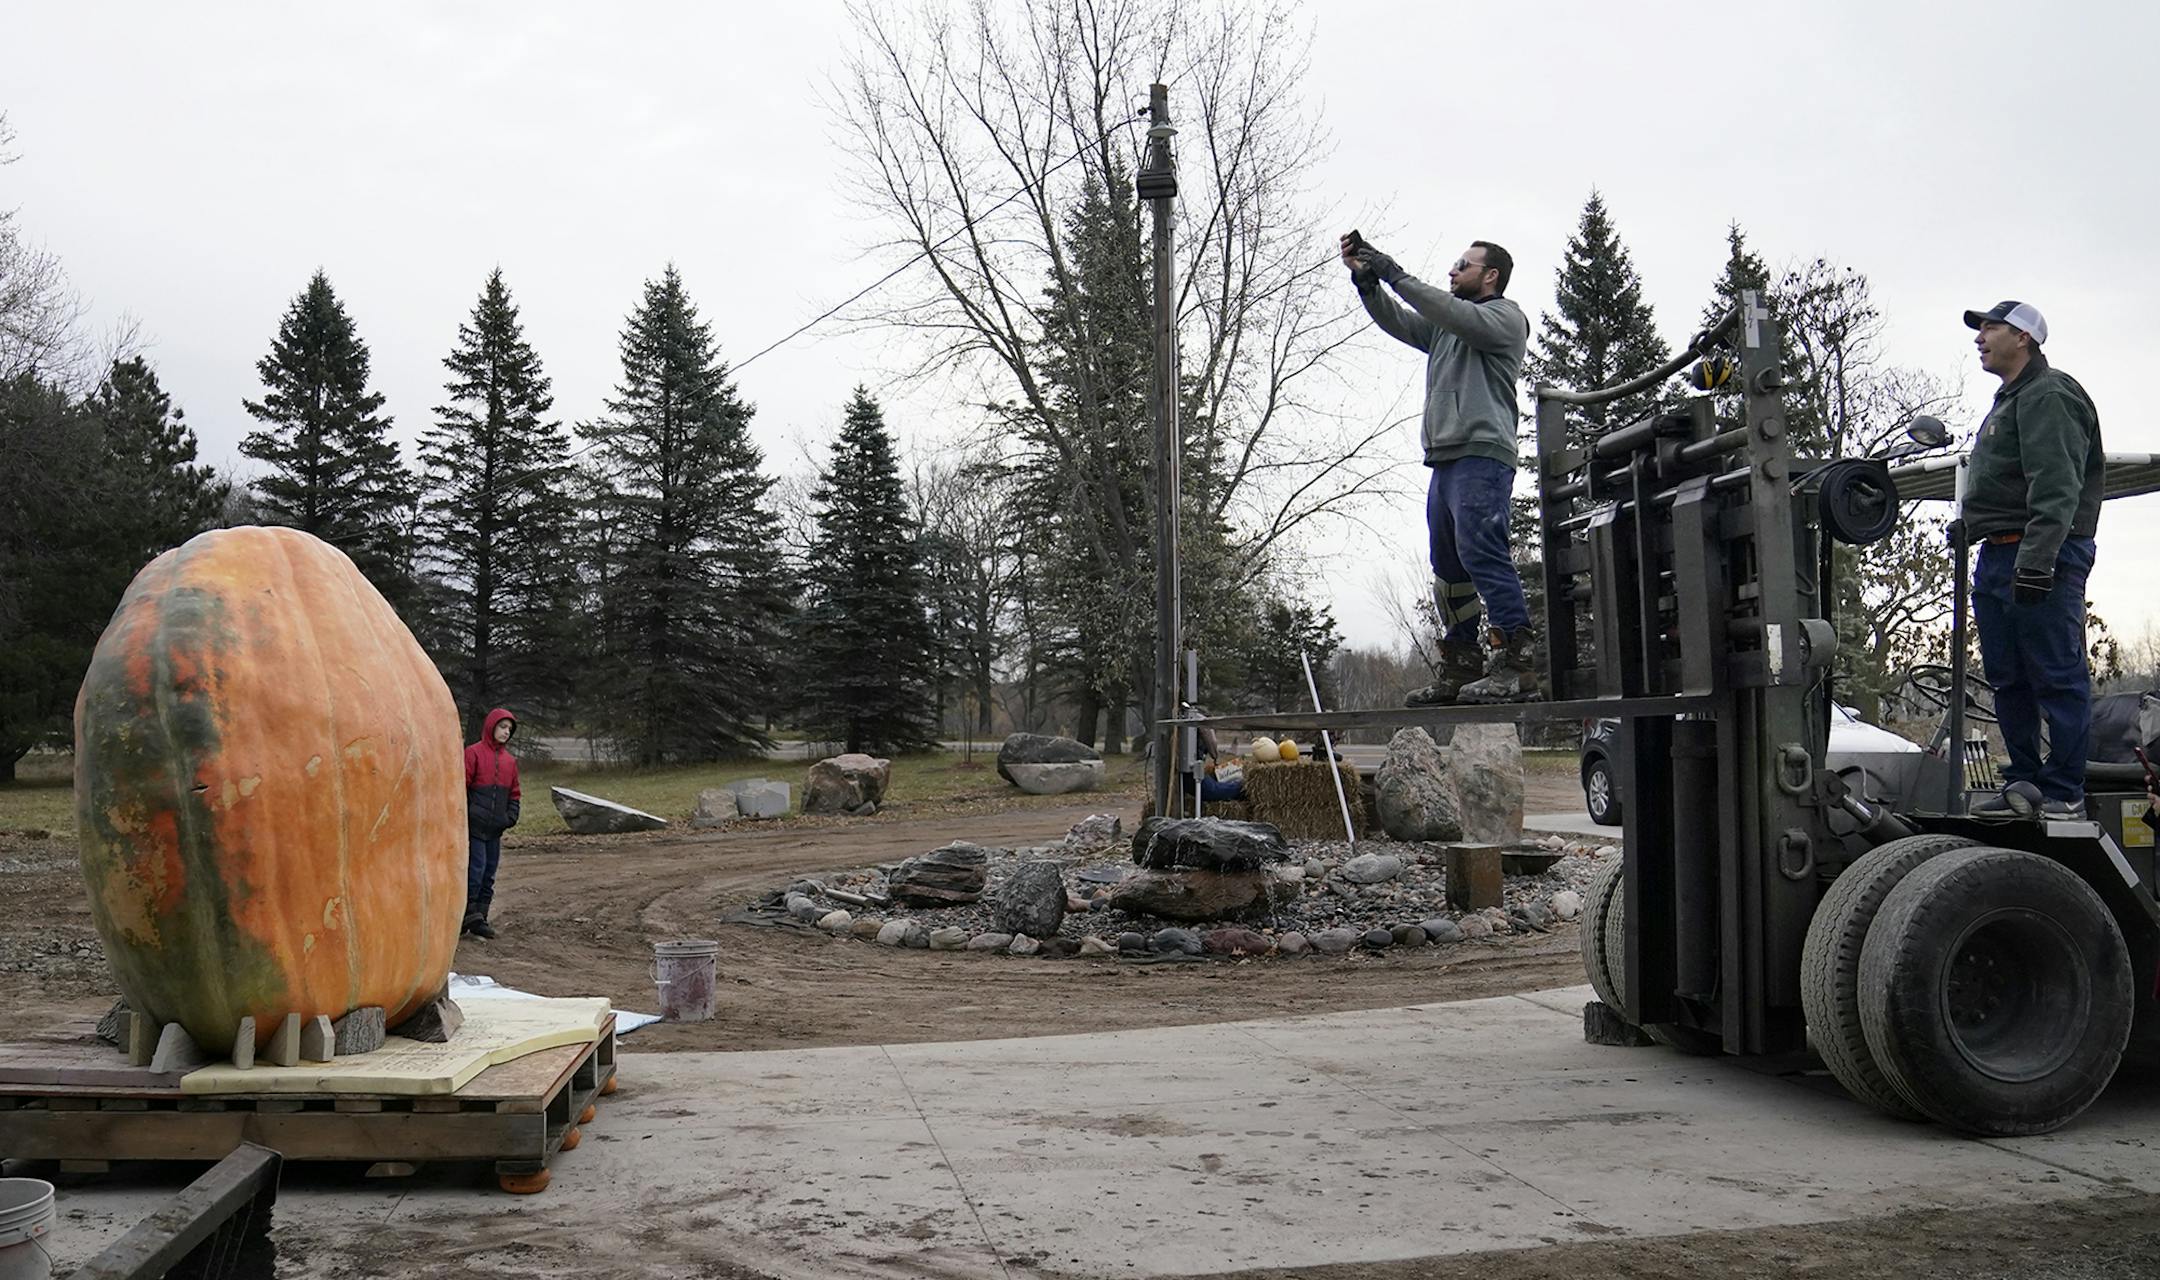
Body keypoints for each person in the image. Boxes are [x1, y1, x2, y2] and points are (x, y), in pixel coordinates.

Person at [1341, 232, 1537, 704]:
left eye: (1462, 265)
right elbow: (1402, 322)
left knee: (1482, 553)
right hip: (1446, 459)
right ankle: (1461, 665)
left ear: (1490, 276)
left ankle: (1516, 667)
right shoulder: (1449, 328)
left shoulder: (1504, 318)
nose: (1452, 271)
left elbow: (1444, 310)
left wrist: (1393, 271)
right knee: (1449, 569)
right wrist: (1369, 284)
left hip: (1482, 454)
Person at [1958, 301, 2103, 820]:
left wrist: (2038, 560)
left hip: (2041, 552)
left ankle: (2064, 792)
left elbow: (2057, 485)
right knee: (2008, 677)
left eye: (1991, 328)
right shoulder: (2009, 400)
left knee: (2057, 674)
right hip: (1999, 553)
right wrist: (1969, 528)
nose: (1980, 337)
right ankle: (2024, 786)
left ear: (2024, 338)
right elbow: (2005, 486)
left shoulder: (2049, 394)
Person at [463, 708, 522, 937]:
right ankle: (467, 915)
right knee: (475, 871)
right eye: (502, 727)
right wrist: (471, 813)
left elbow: (515, 793)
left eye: (509, 729)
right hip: (476, 827)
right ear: (491, 726)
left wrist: (510, 817)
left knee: (489, 873)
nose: (506, 732)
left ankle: (481, 917)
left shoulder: (510, 761)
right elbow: (462, 786)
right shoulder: (473, 753)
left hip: (495, 829)